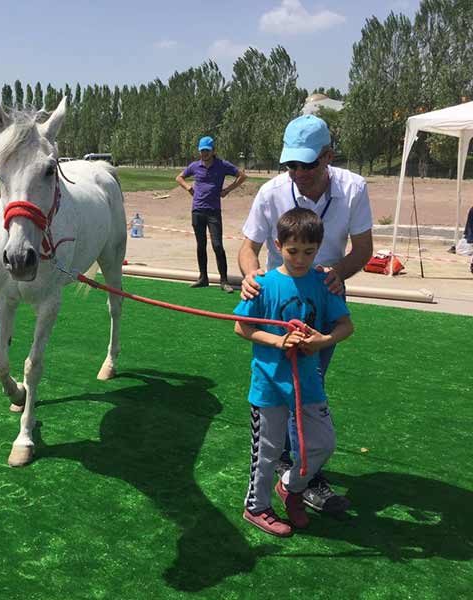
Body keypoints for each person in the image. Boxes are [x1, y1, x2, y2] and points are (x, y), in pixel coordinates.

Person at [238, 114, 373, 513]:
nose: (297, 173)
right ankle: (290, 473)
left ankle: (298, 475)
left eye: (306, 164)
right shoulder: (271, 191)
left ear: (328, 156)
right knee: (282, 387)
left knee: (309, 386)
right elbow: (248, 247)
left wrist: (335, 276)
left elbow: (363, 250)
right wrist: (251, 276)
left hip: (325, 300)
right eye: (290, 164)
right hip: (280, 300)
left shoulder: (353, 188)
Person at [234, 207, 354, 537]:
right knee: (267, 452)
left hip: (308, 382)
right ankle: (256, 506)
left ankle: (290, 488)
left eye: (308, 251)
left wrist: (322, 340)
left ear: (319, 248)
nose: (300, 259)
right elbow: (241, 327)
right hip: (269, 383)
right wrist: (277, 340)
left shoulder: (323, 283)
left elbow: (346, 325)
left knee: (322, 444)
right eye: (292, 251)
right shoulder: (263, 284)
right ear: (277, 245)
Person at [175, 136, 246, 292]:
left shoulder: (222, 165)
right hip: (197, 210)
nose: (204, 154)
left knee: (217, 245)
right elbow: (179, 177)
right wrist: (188, 187)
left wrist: (228, 190)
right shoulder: (195, 166)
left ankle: (224, 281)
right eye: (202, 151)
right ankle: (203, 278)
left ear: (213, 151)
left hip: (213, 211)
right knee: (201, 245)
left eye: (207, 150)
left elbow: (242, 176)